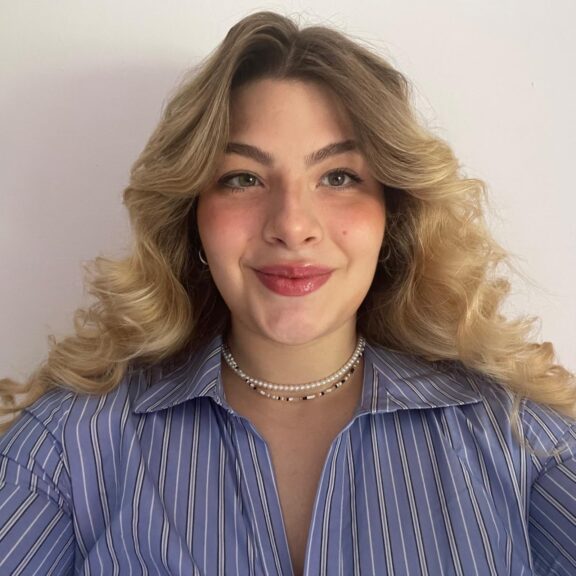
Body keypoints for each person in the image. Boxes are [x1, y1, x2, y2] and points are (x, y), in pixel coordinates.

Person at [1, 10, 575, 576]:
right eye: (243, 179)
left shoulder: (522, 440)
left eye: (339, 177)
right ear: (192, 218)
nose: (293, 225)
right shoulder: (65, 449)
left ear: (394, 216)